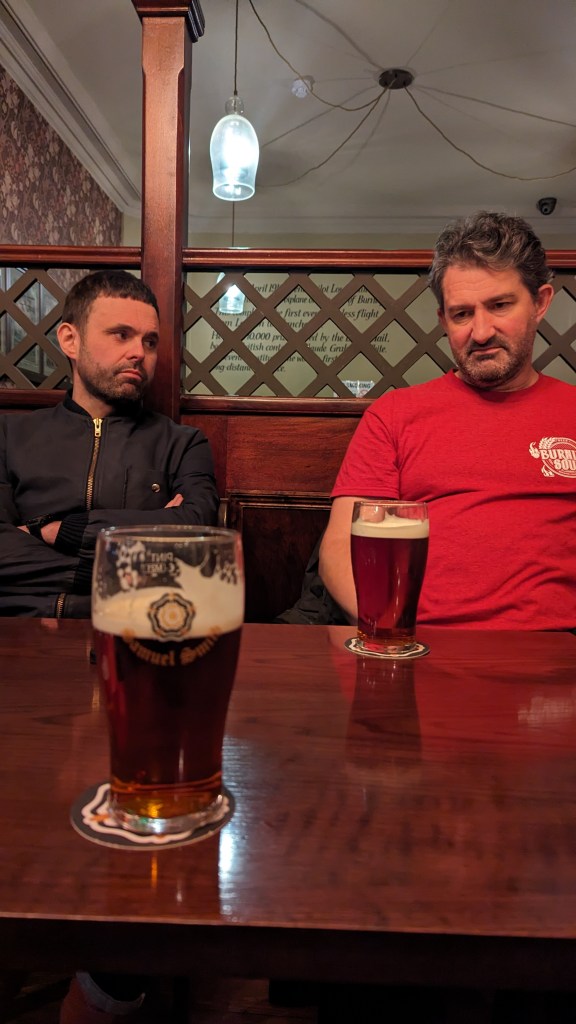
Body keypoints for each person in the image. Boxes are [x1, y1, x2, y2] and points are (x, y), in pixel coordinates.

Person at [319, 209, 576, 631]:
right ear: (443, 321)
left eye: (499, 305)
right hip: (417, 645)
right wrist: (393, 633)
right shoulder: (394, 415)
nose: (481, 332)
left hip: (556, 651)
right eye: (461, 314)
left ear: (540, 303)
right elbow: (338, 552)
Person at [0, 269, 219, 618]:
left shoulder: (183, 444)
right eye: (121, 335)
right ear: (70, 340)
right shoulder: (9, 434)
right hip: (20, 632)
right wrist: (120, 569)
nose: (139, 353)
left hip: (134, 630)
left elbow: (195, 540)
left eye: (150, 341)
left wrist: (58, 531)